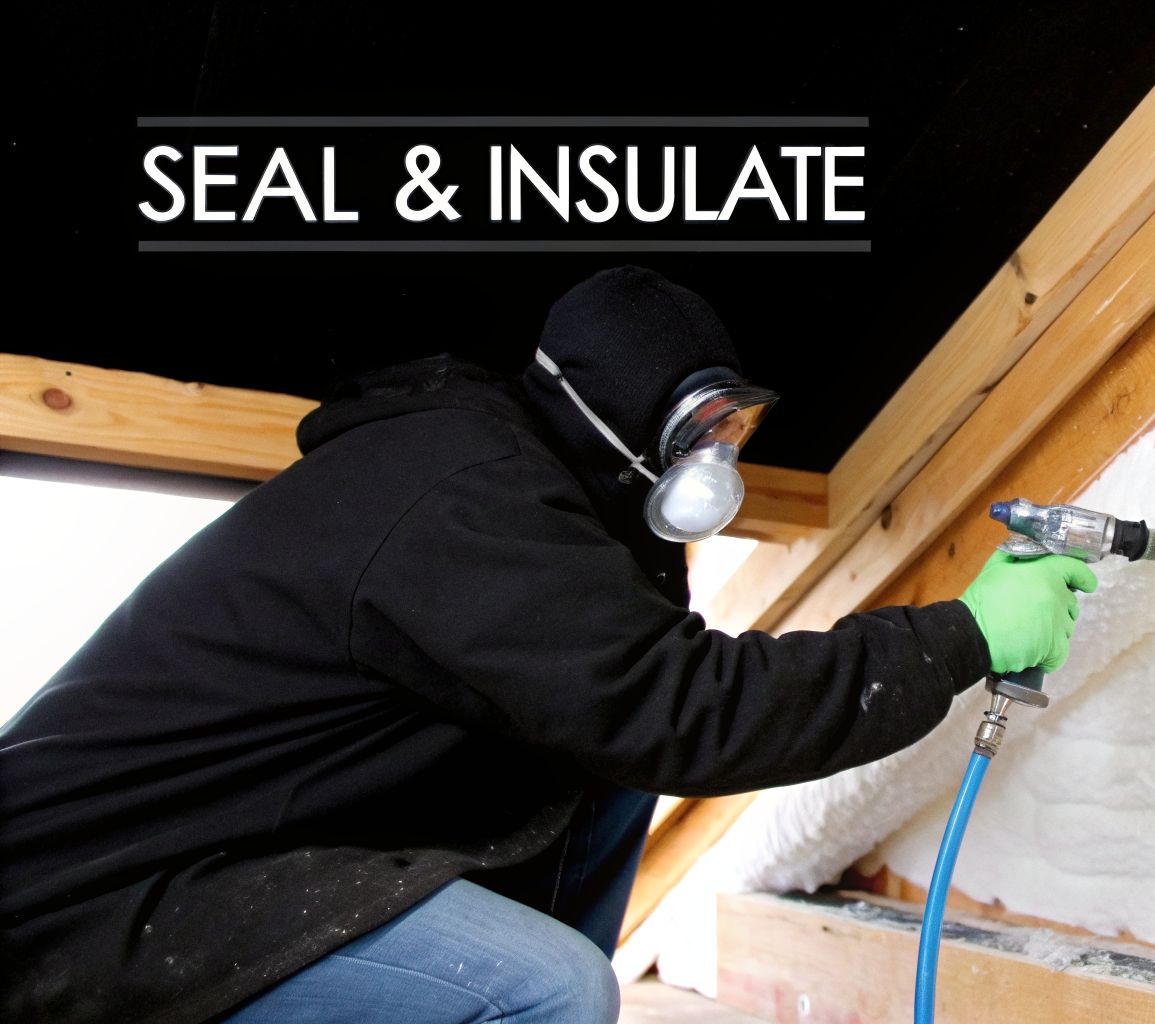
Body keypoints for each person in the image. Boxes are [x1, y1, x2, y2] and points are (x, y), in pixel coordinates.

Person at [0, 267, 1097, 1023]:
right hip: (83, 911)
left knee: (598, 773)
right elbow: (691, 711)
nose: (720, 458)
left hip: (232, 855)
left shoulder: (549, 500)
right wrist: (962, 636)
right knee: (544, 987)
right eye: (703, 429)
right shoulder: (458, 496)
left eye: (735, 430)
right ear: (614, 412)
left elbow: (635, 712)